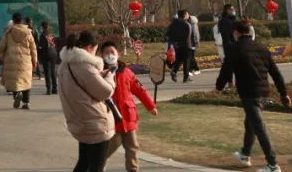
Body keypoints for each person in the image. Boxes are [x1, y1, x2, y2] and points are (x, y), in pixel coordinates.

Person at [216, 19, 289, 172]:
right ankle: (245, 154)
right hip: (263, 92)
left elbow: (226, 70)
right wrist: (283, 94)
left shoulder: (235, 48)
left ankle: (273, 164)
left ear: (236, 32)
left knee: (259, 128)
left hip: (249, 93)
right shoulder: (261, 47)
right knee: (250, 123)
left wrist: (219, 86)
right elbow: (276, 73)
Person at [58, 30, 115, 172]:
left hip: (80, 119)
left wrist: (98, 76)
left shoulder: (65, 64)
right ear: (89, 47)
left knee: (84, 163)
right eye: (95, 50)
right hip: (95, 123)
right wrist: (110, 77)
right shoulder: (85, 66)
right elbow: (106, 92)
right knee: (96, 166)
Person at [100, 41, 157, 172]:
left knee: (132, 147)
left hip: (128, 117)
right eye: (106, 53)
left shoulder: (127, 72)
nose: (109, 55)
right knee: (109, 147)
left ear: (118, 54)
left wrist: (150, 106)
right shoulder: (100, 73)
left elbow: (140, 90)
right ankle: (97, 166)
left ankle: (133, 169)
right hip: (111, 119)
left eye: (112, 52)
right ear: (101, 55)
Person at [0, 12, 38, 109]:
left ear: (13, 21)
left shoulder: (9, 33)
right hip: (25, 61)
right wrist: (35, 60)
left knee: (14, 81)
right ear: (22, 20)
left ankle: (17, 95)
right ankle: (26, 103)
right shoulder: (28, 33)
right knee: (26, 82)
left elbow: (1, 46)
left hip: (11, 61)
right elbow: (33, 49)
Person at [164, 10, 192, 83]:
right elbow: (188, 36)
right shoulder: (187, 24)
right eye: (187, 14)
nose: (188, 15)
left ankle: (174, 71)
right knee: (186, 61)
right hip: (186, 45)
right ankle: (186, 77)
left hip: (176, 45)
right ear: (185, 15)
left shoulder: (173, 24)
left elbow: (168, 35)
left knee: (179, 60)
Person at [37, 20, 59, 94]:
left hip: (46, 54)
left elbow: (41, 46)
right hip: (53, 54)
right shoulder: (51, 34)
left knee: (47, 72)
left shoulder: (42, 35)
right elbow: (54, 44)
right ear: (48, 26)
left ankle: (49, 89)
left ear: (42, 27)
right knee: (53, 71)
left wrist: (39, 51)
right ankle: (55, 89)